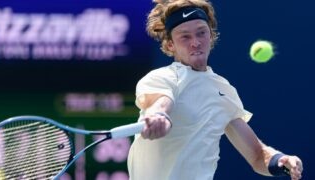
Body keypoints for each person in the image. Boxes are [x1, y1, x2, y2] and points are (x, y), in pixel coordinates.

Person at [127, 0, 303, 180]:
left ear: (211, 36)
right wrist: (159, 116)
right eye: (185, 37)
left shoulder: (223, 90)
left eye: (201, 33)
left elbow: (257, 156)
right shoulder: (161, 78)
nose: (195, 42)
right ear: (171, 44)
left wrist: (281, 161)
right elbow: (160, 103)